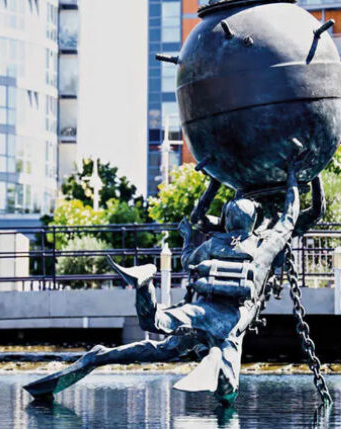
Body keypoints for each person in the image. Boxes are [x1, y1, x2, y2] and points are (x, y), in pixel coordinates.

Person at [24, 154, 323, 404]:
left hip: (198, 312)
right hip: (229, 322)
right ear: (253, 220)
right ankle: (216, 359)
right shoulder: (263, 246)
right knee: (228, 391)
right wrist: (298, 175)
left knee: (154, 331)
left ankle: (138, 296)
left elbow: (188, 256)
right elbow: (291, 216)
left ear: (228, 218)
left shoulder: (215, 242)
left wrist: (209, 192)